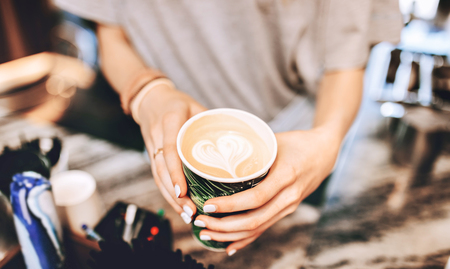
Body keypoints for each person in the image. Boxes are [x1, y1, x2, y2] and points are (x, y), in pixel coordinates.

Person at [54, 0, 403, 255]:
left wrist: (328, 139)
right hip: (169, 131)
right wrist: (148, 92)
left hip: (296, 150)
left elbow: (346, 59)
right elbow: (111, 33)